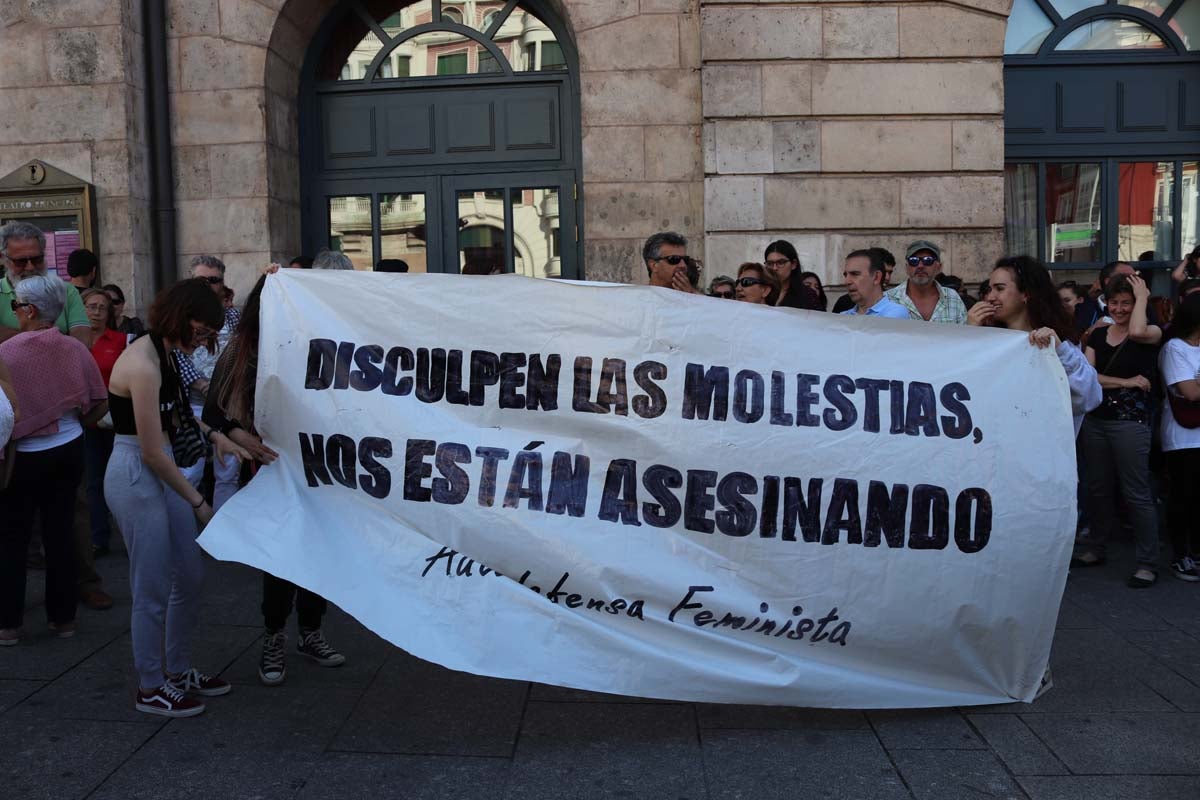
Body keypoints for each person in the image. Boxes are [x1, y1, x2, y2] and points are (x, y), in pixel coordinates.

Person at [104, 278, 249, 716]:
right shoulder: (143, 364)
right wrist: (199, 502)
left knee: (189, 576)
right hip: (136, 471)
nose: (204, 340)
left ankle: (179, 669)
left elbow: (180, 415)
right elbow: (149, 450)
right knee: (149, 588)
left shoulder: (166, 353)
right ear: (182, 317)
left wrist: (219, 437)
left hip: (160, 466)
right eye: (203, 331)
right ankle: (150, 686)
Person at [204, 276, 346, 686]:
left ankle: (311, 631)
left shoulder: (321, 342)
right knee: (282, 555)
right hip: (271, 465)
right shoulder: (245, 345)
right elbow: (214, 411)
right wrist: (237, 433)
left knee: (317, 549)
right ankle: (274, 636)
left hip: (321, 465)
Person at [0, 276, 108, 646]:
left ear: (29, 310)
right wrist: (76, 423)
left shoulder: (7, 353)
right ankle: (63, 620)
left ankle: (8, 625)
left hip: (23, 457)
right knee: (60, 533)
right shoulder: (74, 349)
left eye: (16, 306)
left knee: (12, 538)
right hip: (69, 450)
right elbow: (99, 400)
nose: (14, 312)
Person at [1072, 274, 1163, 587]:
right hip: (1096, 421)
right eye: (1115, 302)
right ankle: (1096, 548)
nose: (1121, 308)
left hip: (1131, 424)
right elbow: (1089, 377)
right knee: (1097, 489)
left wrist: (1144, 295)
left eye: (1127, 302)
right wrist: (1127, 382)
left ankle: (1147, 562)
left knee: (1136, 492)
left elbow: (1136, 330)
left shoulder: (1149, 332)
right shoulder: (1098, 335)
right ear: (1106, 304)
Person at [968, 256, 1101, 435]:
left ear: (1026, 293)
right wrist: (970, 336)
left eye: (999, 288)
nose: (991, 297)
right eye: (989, 289)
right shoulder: (988, 343)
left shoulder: (1058, 343)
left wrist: (1060, 351)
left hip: (1042, 456)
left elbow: (1089, 398)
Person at [177, 256, 242, 511]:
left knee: (228, 476)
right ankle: (185, 535)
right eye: (201, 279)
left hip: (226, 408)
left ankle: (222, 537)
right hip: (190, 408)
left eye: (213, 280)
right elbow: (175, 358)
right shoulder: (179, 317)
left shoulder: (234, 317)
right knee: (188, 475)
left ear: (222, 284)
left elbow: (243, 353)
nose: (207, 285)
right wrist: (202, 385)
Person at [1158, 293, 1200, 581]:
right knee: (1185, 497)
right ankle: (1181, 554)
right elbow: (1190, 392)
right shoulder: (1175, 349)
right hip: (1183, 438)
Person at [82, 289, 126, 558]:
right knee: (93, 482)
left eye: (102, 308)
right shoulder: (74, 341)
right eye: (91, 306)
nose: (96, 312)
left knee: (121, 481)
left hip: (114, 420)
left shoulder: (121, 340)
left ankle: (131, 536)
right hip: (87, 422)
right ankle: (99, 538)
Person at [0, 222, 91, 347]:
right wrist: (53, 338)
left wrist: (17, 337)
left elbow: (83, 343)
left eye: (37, 259)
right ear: (3, 259)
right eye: (21, 261)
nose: (30, 267)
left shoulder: (66, 290)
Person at [885, 240, 966, 324]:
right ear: (907, 268)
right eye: (914, 260)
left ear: (939, 268)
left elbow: (963, 335)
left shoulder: (953, 298)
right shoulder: (888, 299)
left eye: (928, 260)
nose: (920, 266)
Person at [838, 250, 910, 319]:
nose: (847, 281)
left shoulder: (895, 312)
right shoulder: (843, 316)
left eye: (855, 274)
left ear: (876, 277)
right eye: (845, 275)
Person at [762, 240, 819, 309]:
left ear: (793, 264)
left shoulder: (807, 295)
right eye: (770, 263)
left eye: (781, 262)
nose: (774, 268)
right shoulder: (760, 292)